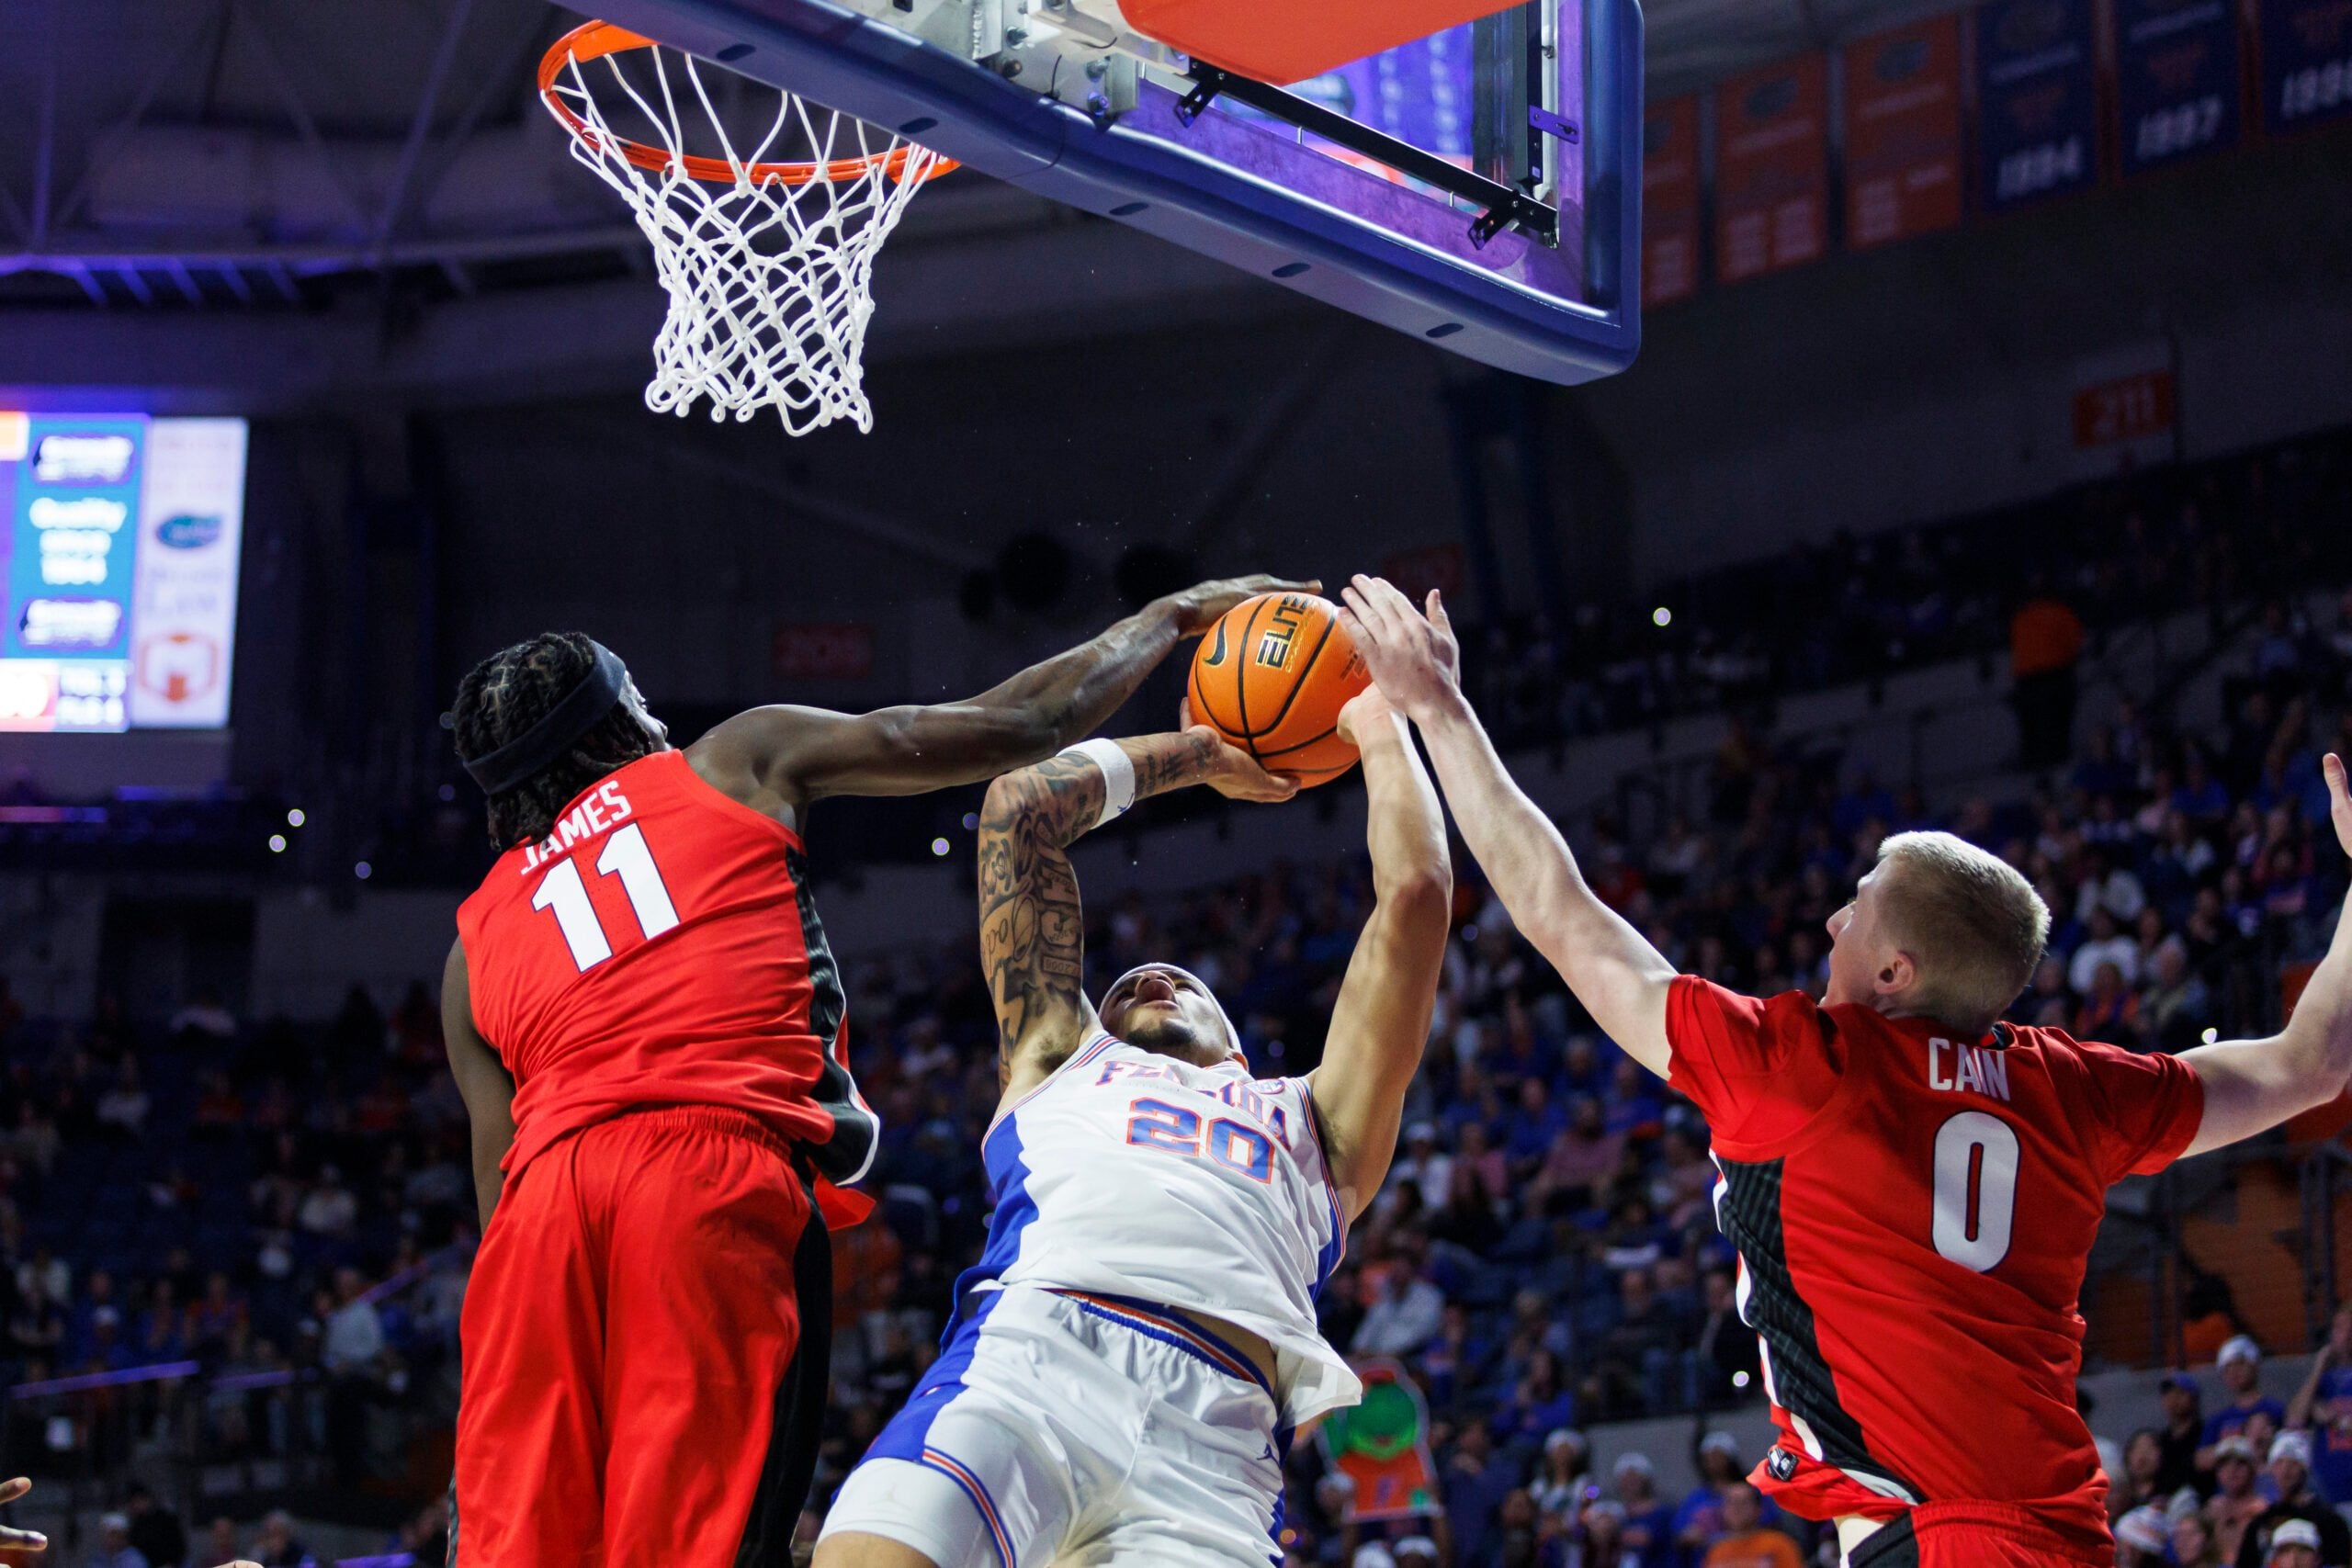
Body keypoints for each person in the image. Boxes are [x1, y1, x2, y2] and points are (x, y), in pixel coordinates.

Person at [1337, 573, 2352, 1568]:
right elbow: (2310, 1063)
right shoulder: (2072, 1088)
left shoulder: (1804, 1069)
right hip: (2060, 1536)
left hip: (1937, 1535)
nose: (1830, 921)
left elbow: (1564, 919)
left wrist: (1439, 710)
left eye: (1855, 907)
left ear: (1895, 971)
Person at [442, 578, 1306, 1567]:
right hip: (699, 1179)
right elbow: (1024, 722)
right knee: (697, 1543)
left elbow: (493, 1193)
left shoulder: (469, 948)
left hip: (532, 1236)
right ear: (617, 719)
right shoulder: (729, 761)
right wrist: (1171, 616)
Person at [816, 683, 1453, 1568]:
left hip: (1211, 1437)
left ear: (1237, 1043)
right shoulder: (1058, 1057)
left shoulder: (1315, 1118)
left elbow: (1417, 894)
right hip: (1025, 1360)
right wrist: (1198, 754)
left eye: (1179, 980)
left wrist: (1378, 720)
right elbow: (1018, 811)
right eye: (1122, 992)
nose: (1148, 982)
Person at [2234, 1432, 2350, 1568]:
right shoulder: (2259, 1523)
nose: (2285, 1470)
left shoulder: (2330, 1521)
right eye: (2279, 1463)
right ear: (2271, 1469)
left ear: (2304, 1469)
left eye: (2293, 1463)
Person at [2203, 1337, 2290, 1464]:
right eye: (2228, 1367)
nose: (2234, 1371)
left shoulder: (2275, 1410)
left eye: (2240, 1364)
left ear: (2254, 1366)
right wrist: (2239, 1444)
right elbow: (2201, 1459)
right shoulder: (2218, 1419)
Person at [1701, 1483, 1802, 1568]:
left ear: (1757, 1509)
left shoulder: (1779, 1544)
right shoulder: (1716, 1552)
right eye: (1730, 1502)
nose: (1736, 1509)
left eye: (1743, 1503)